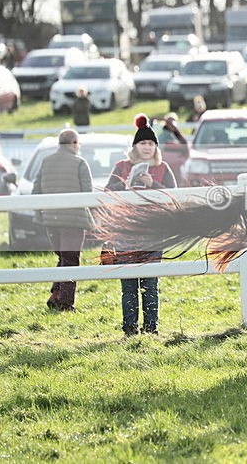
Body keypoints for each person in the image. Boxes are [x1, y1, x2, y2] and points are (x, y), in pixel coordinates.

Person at [105, 114, 177, 336]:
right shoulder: (121, 166)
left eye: (151, 144)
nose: (147, 147)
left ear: (156, 147)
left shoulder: (163, 168)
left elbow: (174, 196)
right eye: (143, 143)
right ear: (135, 146)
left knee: (150, 284)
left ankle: (151, 328)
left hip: (153, 234)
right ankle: (130, 328)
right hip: (126, 233)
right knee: (128, 285)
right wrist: (124, 185)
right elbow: (106, 192)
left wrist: (153, 184)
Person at [32, 128, 93, 312]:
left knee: (63, 256)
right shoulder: (80, 163)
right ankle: (66, 303)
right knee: (71, 259)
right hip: (73, 221)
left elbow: (36, 190)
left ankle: (56, 294)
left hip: (51, 220)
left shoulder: (45, 162)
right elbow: (88, 193)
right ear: (74, 143)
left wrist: (40, 214)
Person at [156, 112, 189, 186]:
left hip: (177, 162)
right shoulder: (164, 135)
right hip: (166, 161)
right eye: (169, 123)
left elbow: (184, 145)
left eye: (173, 122)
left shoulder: (176, 134)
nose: (172, 125)